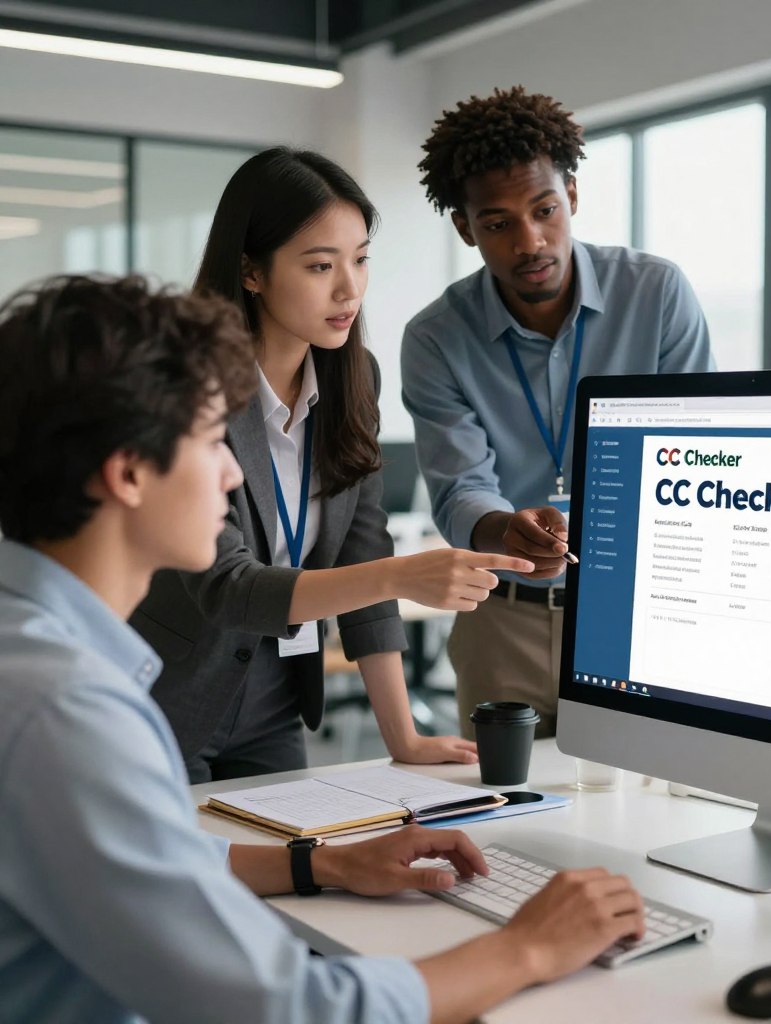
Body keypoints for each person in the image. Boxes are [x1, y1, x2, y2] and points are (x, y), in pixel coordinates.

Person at [0, 274, 646, 1024]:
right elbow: (288, 1009)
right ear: (129, 473)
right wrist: (526, 948)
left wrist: (322, 862)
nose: (233, 471)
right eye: (211, 441)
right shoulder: (69, 714)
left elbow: (140, 868)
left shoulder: (33, 656)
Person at [131, 147, 531, 783]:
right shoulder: (186, 385)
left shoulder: (353, 376)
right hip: (168, 698)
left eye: (361, 259)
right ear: (251, 271)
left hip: (274, 700)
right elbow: (229, 585)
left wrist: (404, 737)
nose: (350, 289)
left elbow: (361, 547)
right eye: (321, 266)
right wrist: (400, 576)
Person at [402, 87, 715, 738]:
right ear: (465, 228)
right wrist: (505, 531)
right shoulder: (436, 337)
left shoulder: (656, 294)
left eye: (544, 210)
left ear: (571, 194)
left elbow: (700, 450)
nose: (530, 241)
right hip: (502, 620)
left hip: (636, 614)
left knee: (645, 795)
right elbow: (459, 488)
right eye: (497, 224)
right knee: (500, 799)